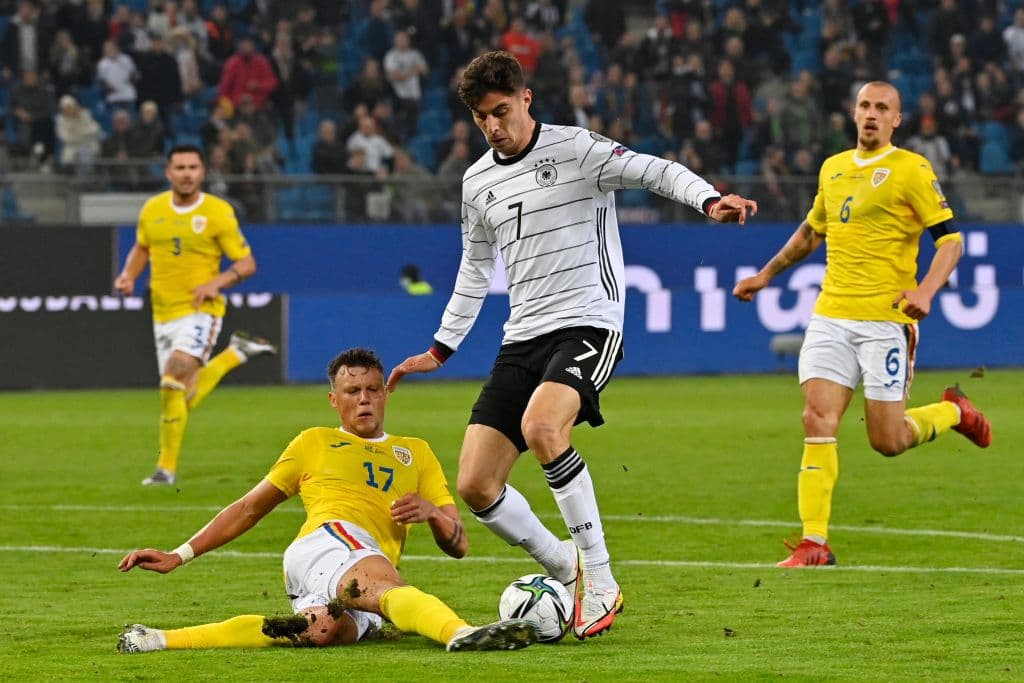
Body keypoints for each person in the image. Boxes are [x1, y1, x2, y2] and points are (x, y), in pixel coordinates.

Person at [386, 51, 757, 640]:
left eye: (502, 111)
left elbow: (652, 169)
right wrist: (442, 348)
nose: (493, 126)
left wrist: (709, 200)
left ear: (526, 99)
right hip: (522, 336)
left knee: (543, 428)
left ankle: (602, 581)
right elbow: (474, 269)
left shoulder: (577, 149)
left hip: (589, 323)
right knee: (476, 484)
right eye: (482, 118)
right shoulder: (477, 181)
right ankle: (566, 566)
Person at [116, 348, 537, 654]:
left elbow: (458, 545)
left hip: (359, 560)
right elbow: (249, 508)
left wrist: (431, 515)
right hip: (328, 541)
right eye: (352, 391)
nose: (365, 399)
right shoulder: (314, 442)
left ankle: (156, 639)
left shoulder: (416, 452)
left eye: (373, 389)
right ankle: (459, 633)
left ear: (386, 394)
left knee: (317, 631)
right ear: (334, 400)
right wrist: (180, 554)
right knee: (381, 584)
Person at [732, 81, 993, 568]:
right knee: (816, 418)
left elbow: (951, 241)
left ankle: (954, 412)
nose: (872, 114)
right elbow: (813, 231)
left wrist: (925, 292)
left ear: (897, 120)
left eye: (883, 108)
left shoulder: (911, 169)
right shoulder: (833, 168)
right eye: (865, 106)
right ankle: (815, 543)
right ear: (853, 114)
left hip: (885, 321)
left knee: (887, 441)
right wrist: (766, 275)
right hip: (832, 315)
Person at [114, 144, 278, 486]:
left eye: (193, 167)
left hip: (199, 311)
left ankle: (165, 471)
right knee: (175, 393)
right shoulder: (153, 209)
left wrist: (215, 283)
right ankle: (235, 354)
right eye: (180, 167)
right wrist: (129, 275)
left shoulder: (218, 212)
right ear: (168, 172)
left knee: (173, 378)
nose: (187, 173)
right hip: (162, 313)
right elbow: (143, 247)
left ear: (202, 172)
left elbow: (246, 263)